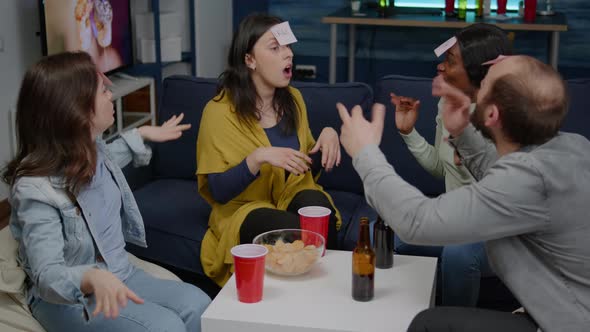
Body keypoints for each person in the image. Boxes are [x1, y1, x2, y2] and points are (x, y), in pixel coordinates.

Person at [337, 55, 590, 331]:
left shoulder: (531, 177)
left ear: (492, 115)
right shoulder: (571, 146)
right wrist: (463, 132)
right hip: (563, 310)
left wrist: (365, 153)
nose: (474, 89)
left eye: (483, 86)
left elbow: (417, 222)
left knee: (428, 324)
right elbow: (505, 176)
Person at [2, 52, 211, 332]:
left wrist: (144, 134)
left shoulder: (93, 148)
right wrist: (90, 278)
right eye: (102, 91)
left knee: (200, 305)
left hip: (121, 272)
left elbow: (112, 154)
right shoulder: (35, 189)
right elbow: (47, 276)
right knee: (165, 327)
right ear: (75, 109)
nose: (111, 95)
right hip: (69, 300)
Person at [196, 13, 342, 286]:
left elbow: (303, 167)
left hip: (290, 194)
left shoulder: (294, 100)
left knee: (321, 214)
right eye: (275, 48)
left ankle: (325, 298)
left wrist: (329, 136)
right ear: (249, 60)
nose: (287, 55)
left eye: (287, 46)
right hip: (243, 208)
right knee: (295, 231)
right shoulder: (218, 112)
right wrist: (257, 158)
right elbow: (217, 190)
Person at [390, 23, 511, 306]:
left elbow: (509, 195)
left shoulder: (504, 116)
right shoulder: (448, 104)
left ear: (478, 71)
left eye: (450, 61)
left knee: (458, 253)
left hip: (500, 232)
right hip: (456, 220)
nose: (441, 67)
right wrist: (409, 133)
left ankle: (452, 324)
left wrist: (474, 154)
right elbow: (441, 168)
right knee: (391, 238)